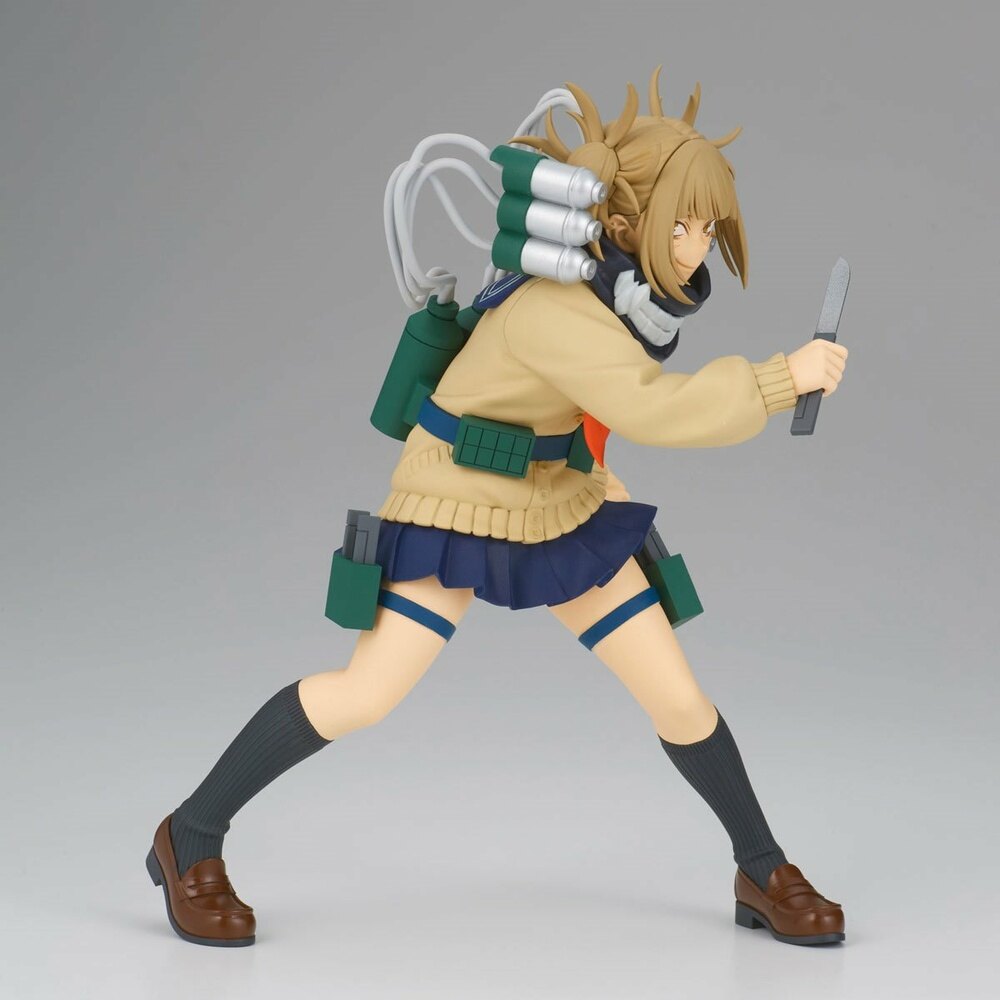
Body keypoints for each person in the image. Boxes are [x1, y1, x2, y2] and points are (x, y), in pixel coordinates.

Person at [146, 71, 849, 948]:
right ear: (623, 223)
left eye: (707, 227)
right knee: (367, 692)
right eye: (682, 225)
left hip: (556, 502)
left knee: (677, 695)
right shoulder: (560, 310)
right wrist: (783, 378)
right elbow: (653, 407)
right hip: (456, 500)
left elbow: (593, 406)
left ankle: (761, 866)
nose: (698, 246)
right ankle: (191, 834)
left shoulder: (605, 295)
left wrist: (599, 470)